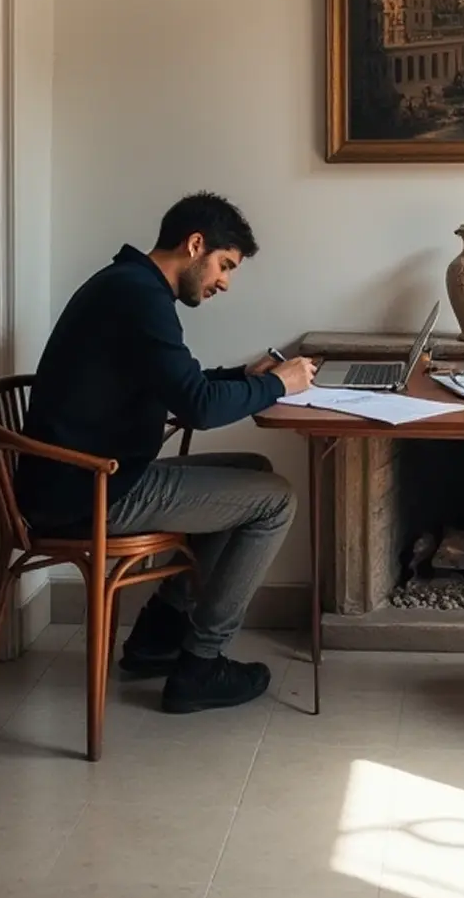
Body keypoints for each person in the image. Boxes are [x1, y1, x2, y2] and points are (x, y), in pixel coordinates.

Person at [19, 192, 315, 714]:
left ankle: (159, 634)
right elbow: (197, 407)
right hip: (94, 489)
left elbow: (180, 384)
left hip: (88, 476)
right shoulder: (140, 298)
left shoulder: (127, 285)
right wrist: (280, 387)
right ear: (195, 244)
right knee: (277, 499)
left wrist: (242, 378)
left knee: (254, 471)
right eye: (224, 265)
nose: (223, 281)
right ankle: (201, 663)